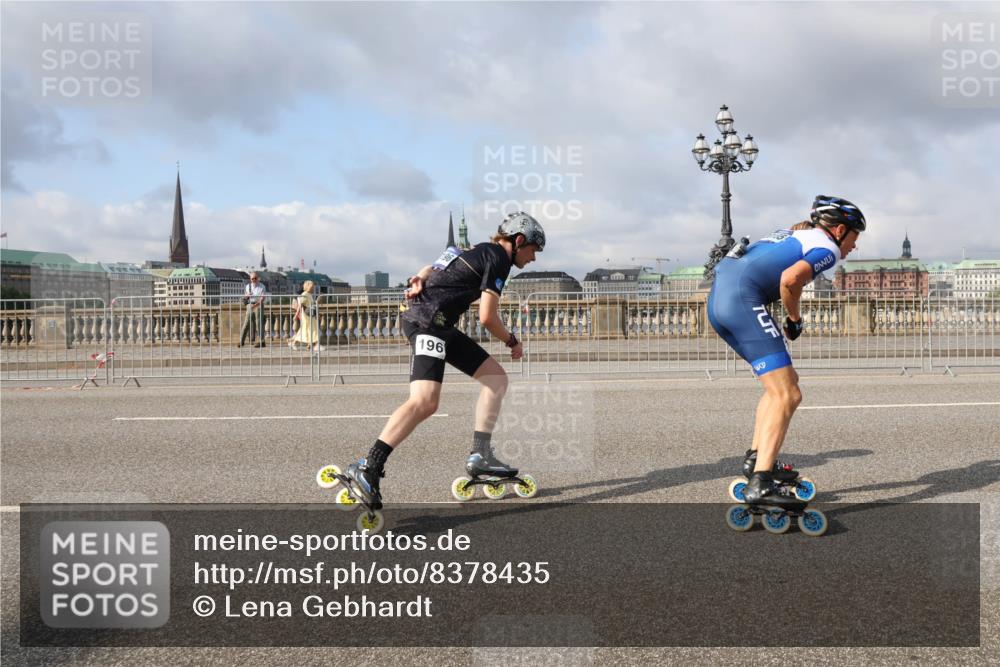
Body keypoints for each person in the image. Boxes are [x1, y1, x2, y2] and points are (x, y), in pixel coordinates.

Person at [341, 211, 545, 509]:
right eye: (533, 250)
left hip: (440, 325)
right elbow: (487, 317)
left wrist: (419, 277)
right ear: (518, 240)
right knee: (425, 401)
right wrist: (512, 341)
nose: (534, 258)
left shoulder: (473, 251)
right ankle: (368, 466)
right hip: (427, 323)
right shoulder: (498, 259)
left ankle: (481, 456)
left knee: (496, 379)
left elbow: (432, 266)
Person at [707, 195, 866, 507]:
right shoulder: (827, 247)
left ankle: (757, 460)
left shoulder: (793, 234)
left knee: (780, 387)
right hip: (742, 302)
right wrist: (794, 320)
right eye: (854, 237)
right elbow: (790, 280)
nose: (853, 246)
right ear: (839, 230)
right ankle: (762, 483)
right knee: (788, 394)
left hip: (719, 303)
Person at [290, 280, 324, 352]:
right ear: (308, 287)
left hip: (310, 315)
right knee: (309, 330)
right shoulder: (305, 294)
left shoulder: (309, 294)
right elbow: (300, 305)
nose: (313, 289)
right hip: (306, 316)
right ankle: (315, 345)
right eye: (312, 288)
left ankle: (313, 344)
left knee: (310, 330)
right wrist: (296, 315)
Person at [239, 272, 267, 348]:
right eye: (252, 279)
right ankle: (241, 341)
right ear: (250, 279)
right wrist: (247, 295)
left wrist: (256, 305)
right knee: (246, 322)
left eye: (255, 278)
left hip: (258, 305)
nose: (254, 280)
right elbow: (245, 297)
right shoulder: (248, 286)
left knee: (259, 323)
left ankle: (261, 341)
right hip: (250, 305)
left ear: (258, 278)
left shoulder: (262, 286)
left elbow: (262, 298)